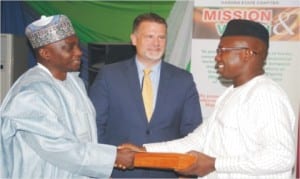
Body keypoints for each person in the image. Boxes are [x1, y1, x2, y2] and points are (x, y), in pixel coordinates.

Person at [122, 19, 296, 178]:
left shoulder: (265, 94)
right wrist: (144, 152)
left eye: (222, 50)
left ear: (247, 54)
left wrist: (214, 164)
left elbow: (280, 156)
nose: (217, 57)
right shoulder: (230, 94)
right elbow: (198, 140)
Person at [0, 14, 135, 178]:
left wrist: (113, 153)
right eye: (69, 47)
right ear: (45, 53)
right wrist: (112, 157)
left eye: (77, 45)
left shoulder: (74, 82)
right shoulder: (30, 93)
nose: (79, 52)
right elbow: (58, 148)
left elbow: (85, 138)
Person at [88, 12, 203, 178]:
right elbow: (95, 126)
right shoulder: (109, 75)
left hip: (166, 173)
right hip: (119, 173)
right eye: (149, 36)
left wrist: (186, 171)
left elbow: (193, 130)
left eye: (161, 37)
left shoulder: (183, 79)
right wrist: (106, 163)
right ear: (134, 39)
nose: (156, 43)